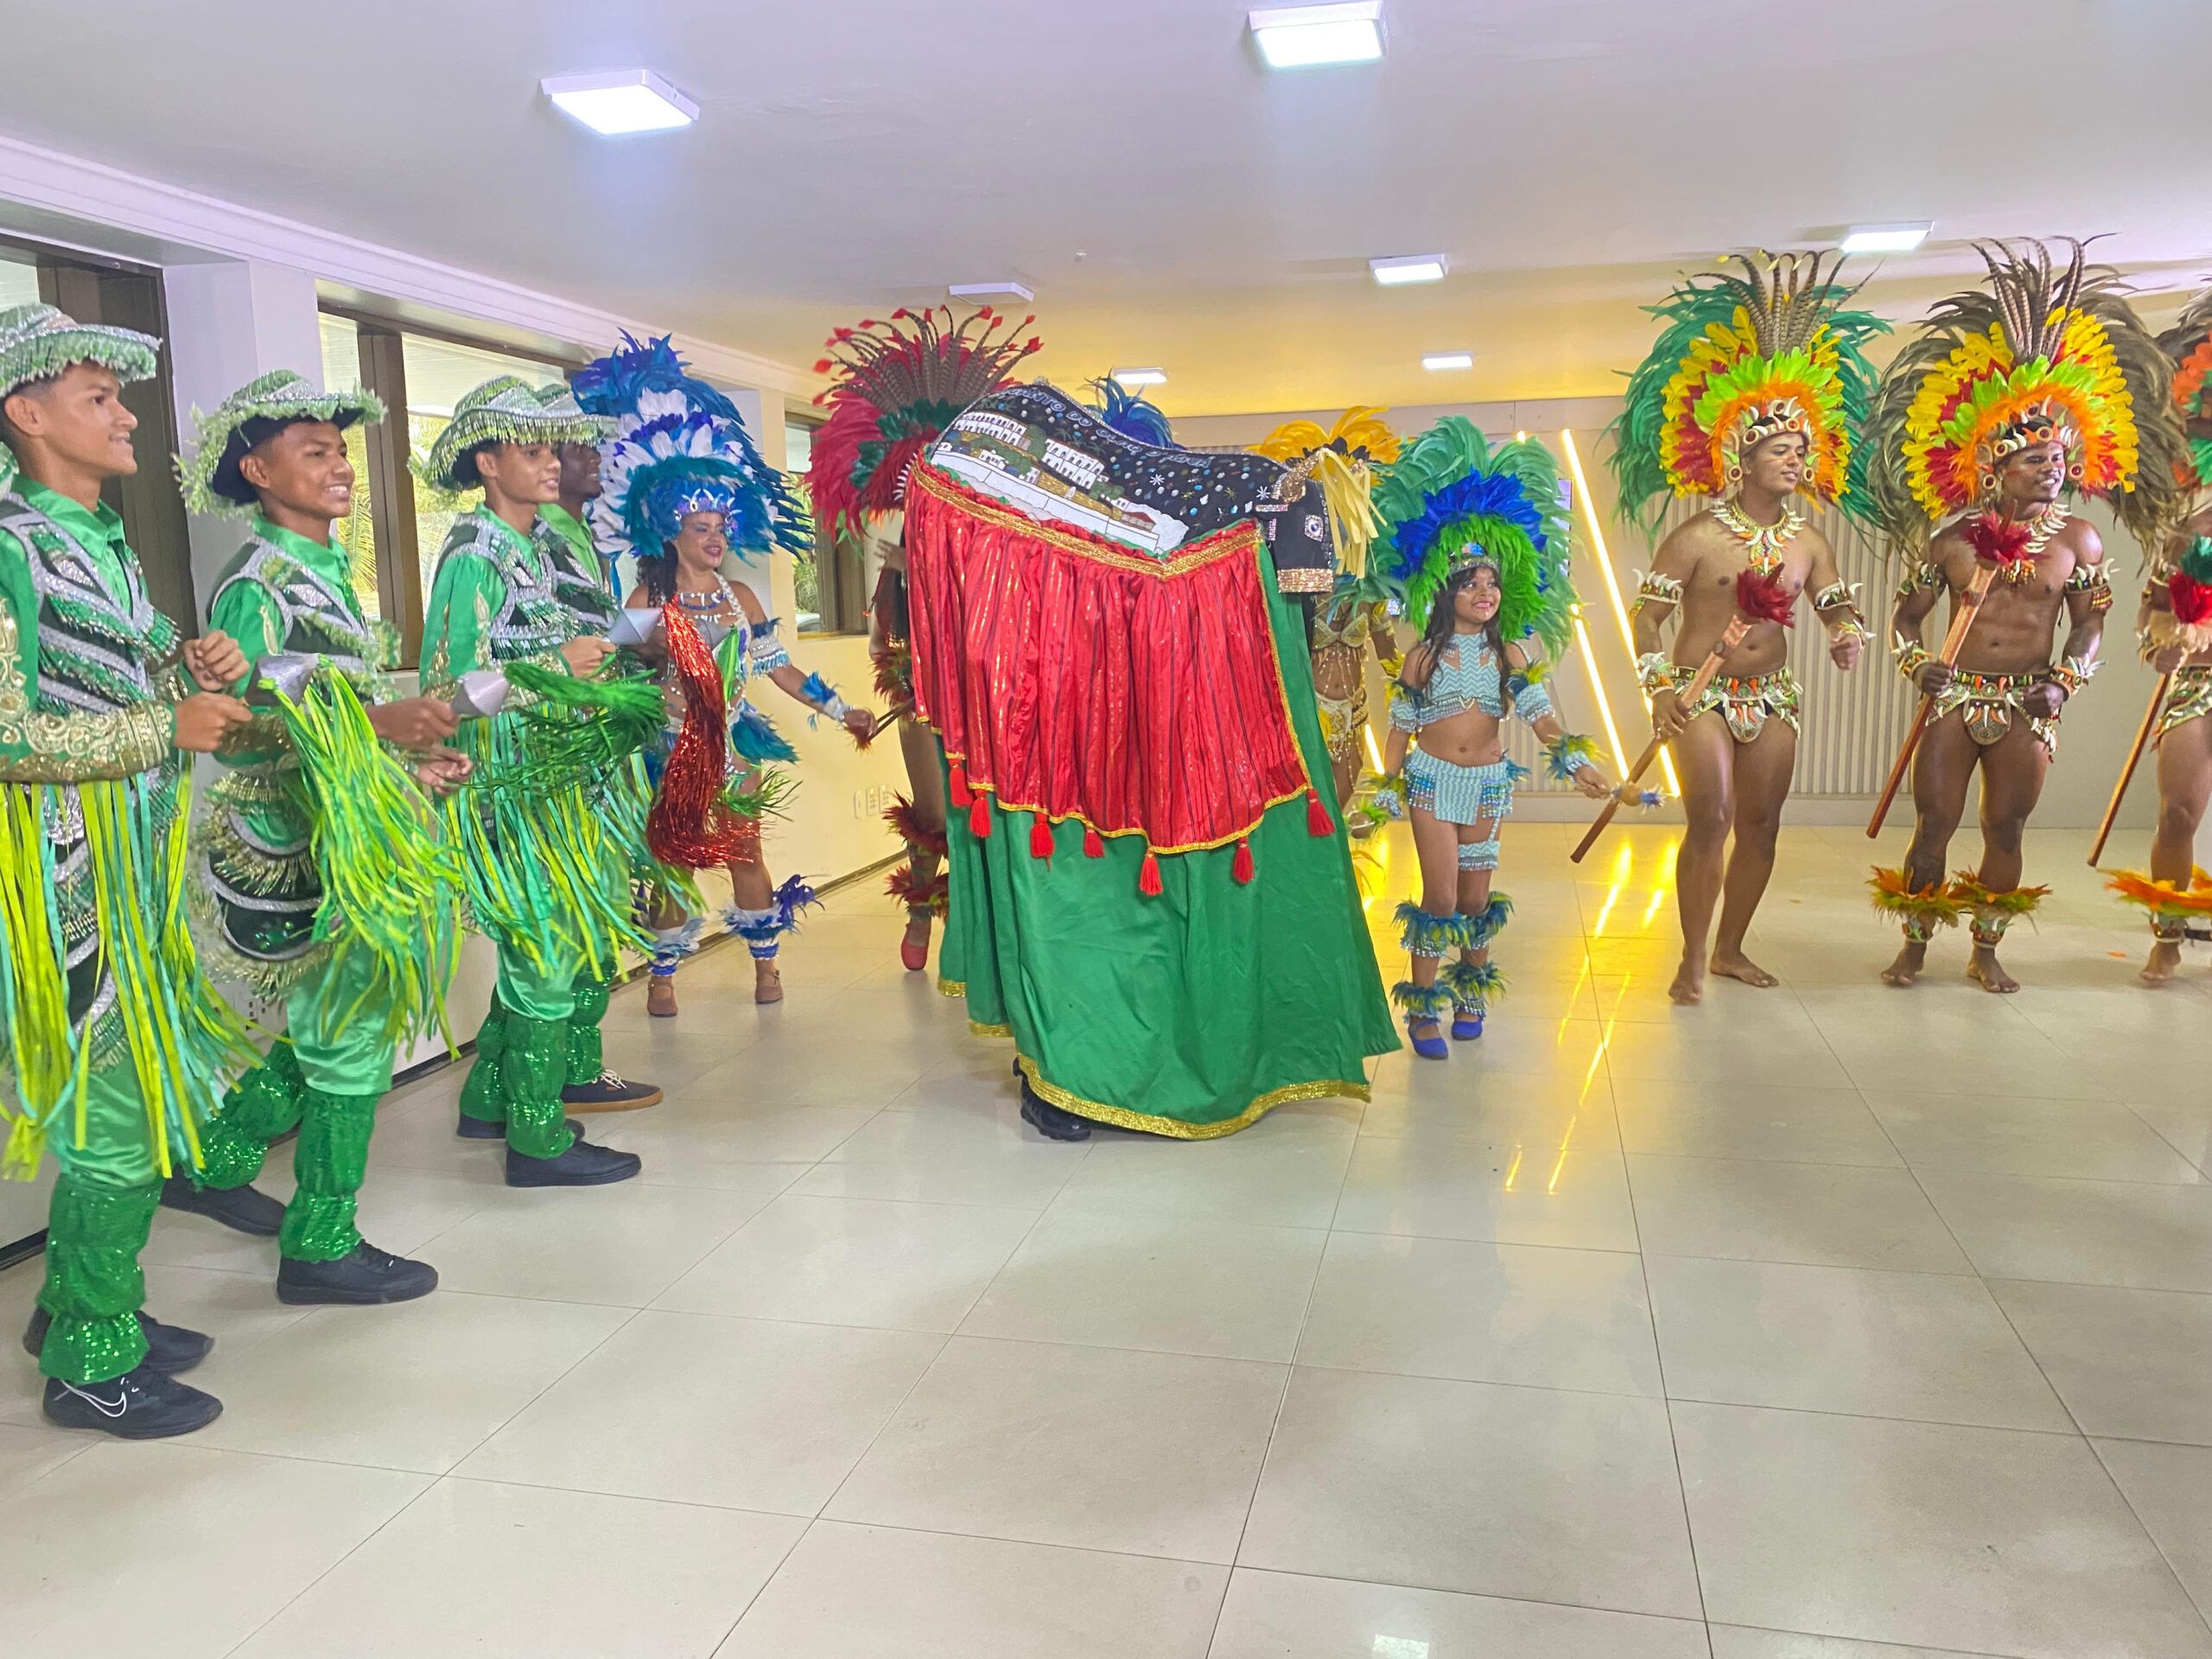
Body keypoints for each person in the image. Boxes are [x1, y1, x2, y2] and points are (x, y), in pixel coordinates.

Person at [906, 378, 1396, 1140]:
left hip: (1161, 734)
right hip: (1051, 738)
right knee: (1070, 898)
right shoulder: (994, 519)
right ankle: (1059, 1075)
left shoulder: (1238, 533)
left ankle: (1134, 1056)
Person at [0, 303, 257, 1435]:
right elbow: (9, 741)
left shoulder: (98, 543)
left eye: (121, 394)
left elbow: (136, 678)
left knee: (141, 1093)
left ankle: (75, 1307)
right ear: (28, 413)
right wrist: (166, 731)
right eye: (100, 399)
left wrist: (199, 660)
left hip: (138, 865)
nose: (128, 416)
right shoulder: (10, 548)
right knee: (114, 1110)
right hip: (63, 882)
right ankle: (90, 1363)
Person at [162, 370, 464, 1303]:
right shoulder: (257, 585)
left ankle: (214, 1160)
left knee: (336, 1031)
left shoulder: (330, 571)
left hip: (346, 830)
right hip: (295, 849)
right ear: (256, 469)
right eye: (314, 452)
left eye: (342, 452)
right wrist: (383, 728)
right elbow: (245, 725)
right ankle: (320, 1243)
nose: (340, 468)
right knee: (350, 1033)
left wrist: (405, 764)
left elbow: (336, 716)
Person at [1866, 239, 2187, 991]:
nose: (2054, 471)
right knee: (1934, 822)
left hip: (2028, 702)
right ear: (1995, 468)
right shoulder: (1950, 541)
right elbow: (1906, 619)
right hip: (1954, 697)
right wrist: (1920, 667)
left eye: (2060, 460)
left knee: (2005, 825)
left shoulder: (2079, 540)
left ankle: (1985, 948)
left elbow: (2092, 622)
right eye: (2036, 461)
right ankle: (1914, 946)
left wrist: (2065, 685)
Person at [1610, 251, 1882, 1004]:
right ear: (1742, 456)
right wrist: (1658, 686)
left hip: (1774, 693)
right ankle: (1692, 953)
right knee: (1713, 816)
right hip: (1697, 695)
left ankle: (1731, 948)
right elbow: (1647, 616)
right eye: (1780, 449)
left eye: (1802, 450)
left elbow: (1833, 602)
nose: (1796, 459)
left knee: (1761, 825)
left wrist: (1846, 633)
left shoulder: (1809, 540)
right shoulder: (1695, 537)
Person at [575, 334, 857, 1012]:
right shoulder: (650, 601)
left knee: (743, 851)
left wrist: (842, 708)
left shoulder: (743, 599)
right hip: (669, 748)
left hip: (734, 747)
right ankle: (665, 972)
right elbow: (611, 665)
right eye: (700, 526)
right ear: (671, 531)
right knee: (670, 856)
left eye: (720, 525)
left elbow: (779, 668)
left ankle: (766, 965)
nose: (714, 537)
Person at [416, 376, 646, 1183]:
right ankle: (537, 1139)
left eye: (554, 448)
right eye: (532, 449)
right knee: (545, 950)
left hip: (557, 783)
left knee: (549, 949)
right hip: (510, 789)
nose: (552, 464)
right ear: (487, 461)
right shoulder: (471, 556)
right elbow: (446, 690)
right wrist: (556, 666)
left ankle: (492, 1101)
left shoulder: (539, 548)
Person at [810, 305, 1043, 973]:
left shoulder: (988, 558)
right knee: (937, 813)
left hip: (990, 704)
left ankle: (983, 936)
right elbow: (883, 645)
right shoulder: (898, 565)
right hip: (923, 702)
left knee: (986, 815)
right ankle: (921, 909)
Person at [1370, 420, 1611, 1056]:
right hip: (1431, 782)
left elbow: (1539, 713)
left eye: (1492, 582)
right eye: (1470, 581)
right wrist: (1384, 788)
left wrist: (1577, 762)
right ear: (1446, 591)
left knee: (1476, 899)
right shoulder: (1422, 658)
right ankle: (1423, 1009)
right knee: (1442, 895)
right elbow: (1399, 726)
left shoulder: (1508, 653)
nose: (1484, 591)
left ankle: (1471, 993)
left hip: (1486, 786)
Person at [530, 393, 659, 1107]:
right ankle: (551, 1088)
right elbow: (548, 653)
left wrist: (644, 617)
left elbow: (600, 639)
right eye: (575, 447)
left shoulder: (582, 538)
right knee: (562, 935)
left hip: (594, 760)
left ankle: (535, 1084)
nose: (590, 460)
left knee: (592, 921)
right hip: (556, 765)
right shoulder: (533, 541)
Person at [2110, 285, 2212, 980]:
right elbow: (2149, 609)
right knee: (2177, 810)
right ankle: (2168, 935)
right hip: (2195, 684)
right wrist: (2161, 642)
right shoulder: (2184, 521)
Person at [1250, 408, 1403, 817]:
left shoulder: (1365, 592)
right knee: (1307, 815)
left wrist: (1422, 686)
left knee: (1337, 812)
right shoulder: (1294, 590)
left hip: (1353, 713)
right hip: (1304, 714)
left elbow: (1390, 657)